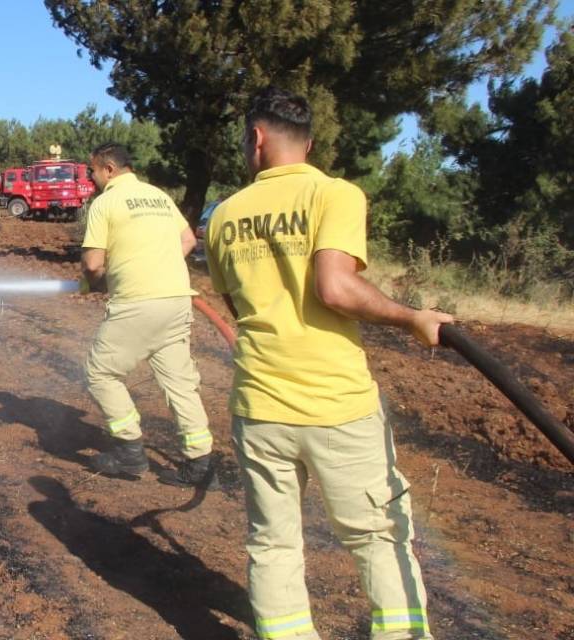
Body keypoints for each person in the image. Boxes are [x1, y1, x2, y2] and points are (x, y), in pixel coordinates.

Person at [206, 86, 451, 640]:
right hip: (337, 406)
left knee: (272, 543)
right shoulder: (335, 194)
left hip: (260, 407)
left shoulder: (224, 216)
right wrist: (412, 318)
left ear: (257, 137)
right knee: (377, 536)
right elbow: (336, 289)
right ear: (309, 143)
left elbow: (237, 306)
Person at [79, 142, 213, 485]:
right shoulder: (159, 196)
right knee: (180, 384)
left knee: (100, 373)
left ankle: (129, 453)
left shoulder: (105, 203)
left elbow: (93, 265)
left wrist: (100, 282)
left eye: (92, 170)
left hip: (138, 304)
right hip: (176, 301)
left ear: (108, 169)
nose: (91, 178)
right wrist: (156, 265)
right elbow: (188, 241)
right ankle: (200, 464)